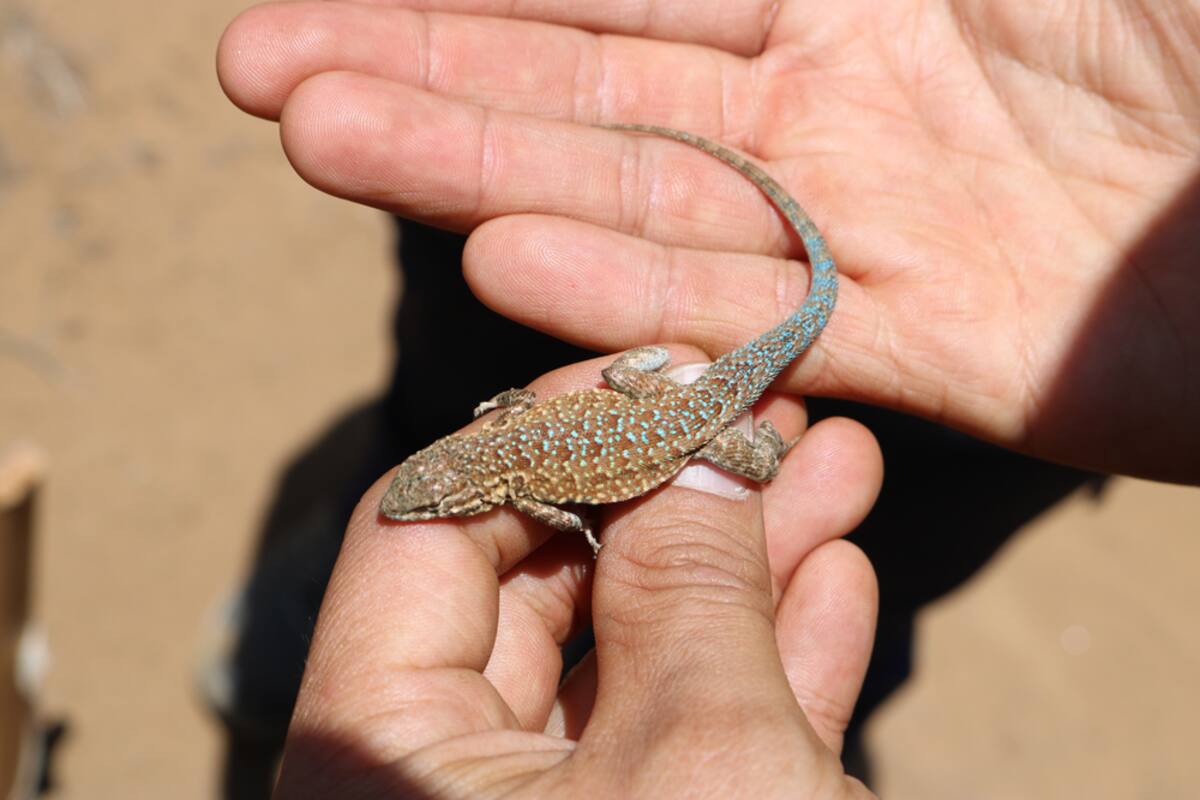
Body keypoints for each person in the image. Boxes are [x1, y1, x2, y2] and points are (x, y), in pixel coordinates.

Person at [212, 1, 1200, 795]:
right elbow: (528, 435)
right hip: (660, 396)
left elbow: (568, 514)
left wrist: (678, 491)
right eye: (428, 492)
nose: (423, 498)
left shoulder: (518, 485)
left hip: (701, 426)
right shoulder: (506, 450)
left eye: (429, 493)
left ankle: (811, 659)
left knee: (846, 540)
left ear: (461, 485)